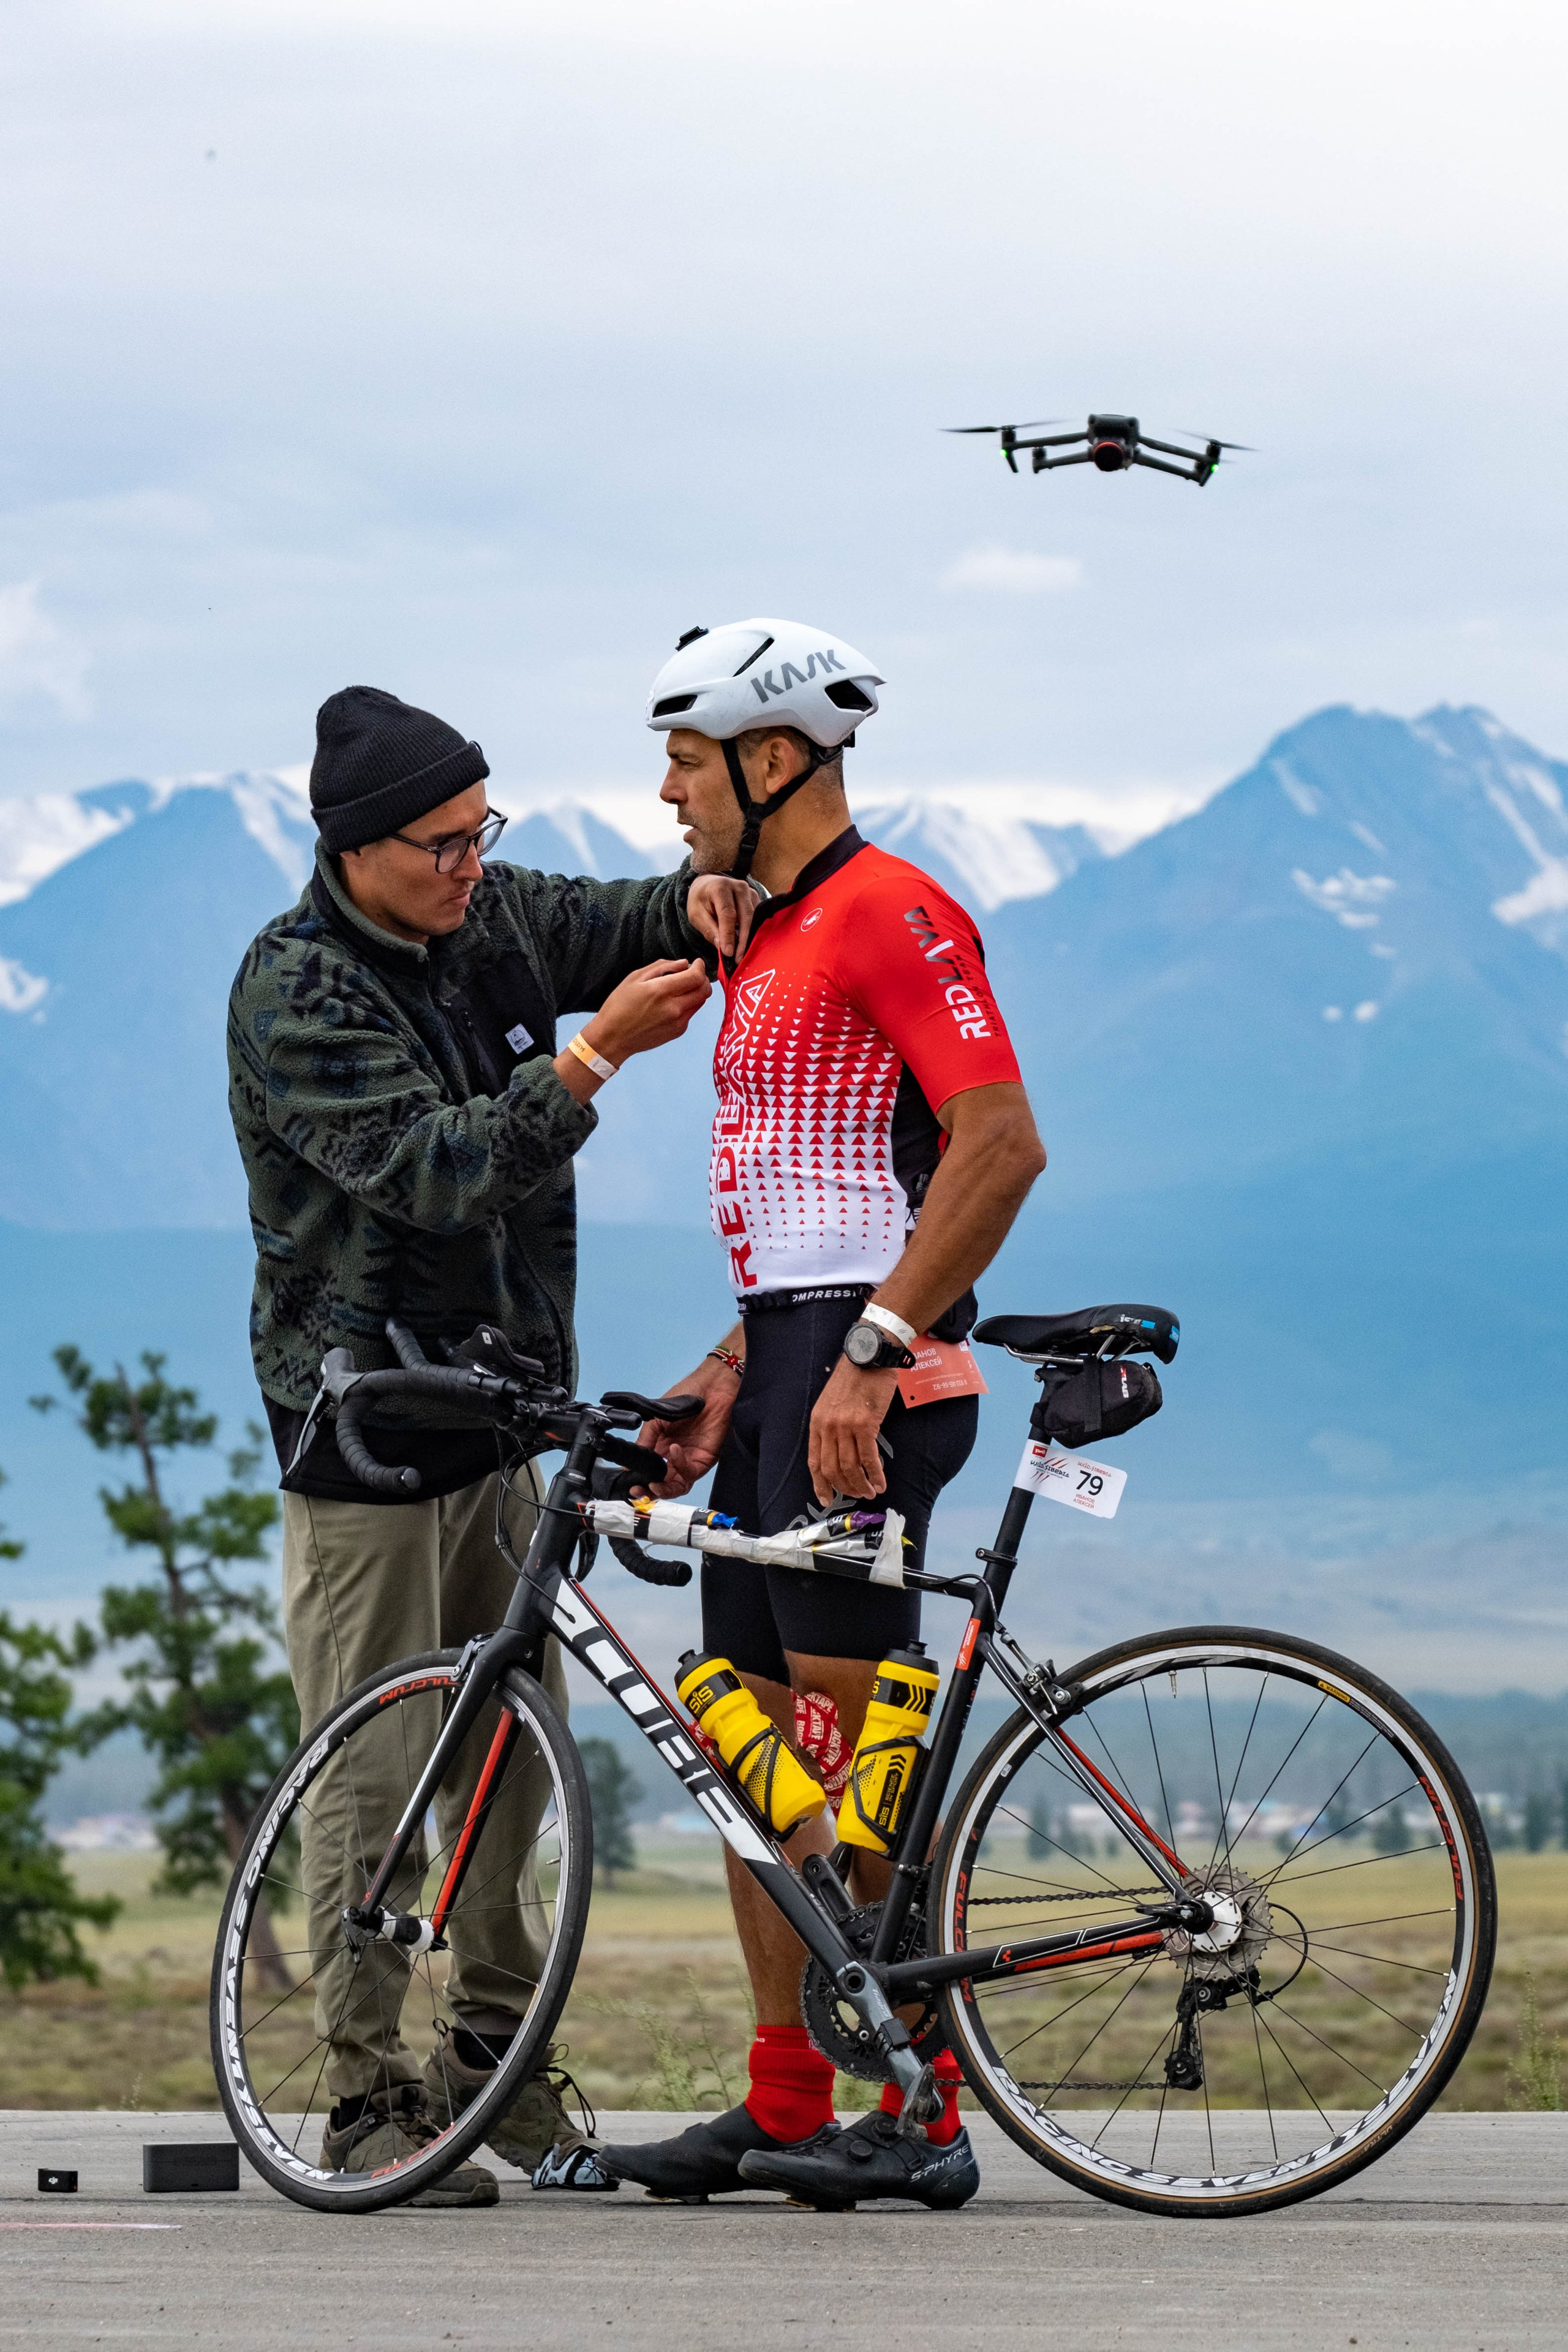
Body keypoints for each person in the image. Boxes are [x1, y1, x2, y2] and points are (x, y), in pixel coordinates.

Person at [227, 684, 750, 2205]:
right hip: (368, 1436)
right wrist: (595, 1062)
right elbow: (431, 1172)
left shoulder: (495, 914)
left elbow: (627, 912)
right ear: (356, 849)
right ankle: (364, 2098)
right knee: (375, 1773)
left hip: (502, 1421)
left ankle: (492, 2067)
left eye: (483, 830)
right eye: (443, 843)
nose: (474, 862)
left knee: (517, 1770)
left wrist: (704, 894)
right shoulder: (296, 989)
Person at [599, 621, 1046, 2209]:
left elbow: (1000, 1145)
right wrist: (731, 1371)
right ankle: (785, 2100)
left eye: (685, 760)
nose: (666, 791)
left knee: (850, 1769)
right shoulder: (769, 933)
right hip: (786, 1371)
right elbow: (814, 1205)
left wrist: (872, 1348)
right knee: (745, 1752)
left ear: (773, 758)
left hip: (869, 1386)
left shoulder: (890, 911)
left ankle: (921, 2106)